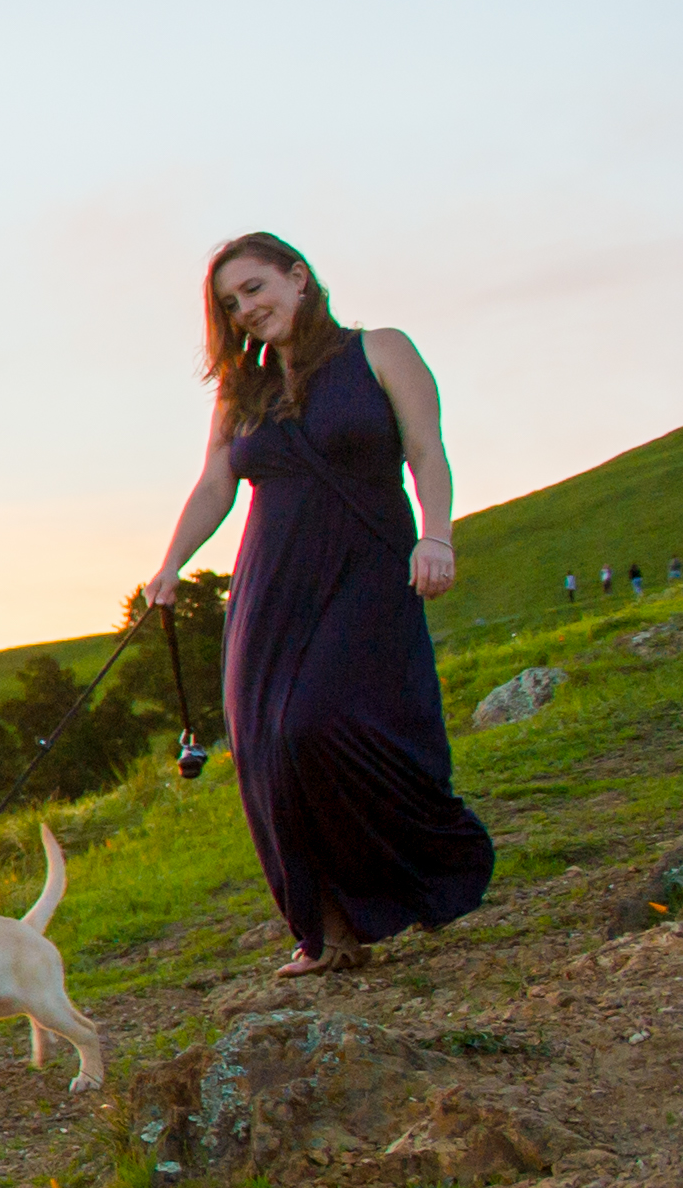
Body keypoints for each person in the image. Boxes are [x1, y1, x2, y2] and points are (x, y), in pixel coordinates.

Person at [146, 232, 492, 977]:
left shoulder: (381, 350)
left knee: (315, 724)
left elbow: (427, 451)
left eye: (254, 288)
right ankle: (327, 931)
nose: (245, 310)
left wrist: (436, 538)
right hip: (269, 582)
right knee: (267, 750)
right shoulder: (241, 388)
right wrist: (170, 563)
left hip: (367, 563)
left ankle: (420, 865)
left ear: (297, 277)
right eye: (230, 304)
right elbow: (214, 485)